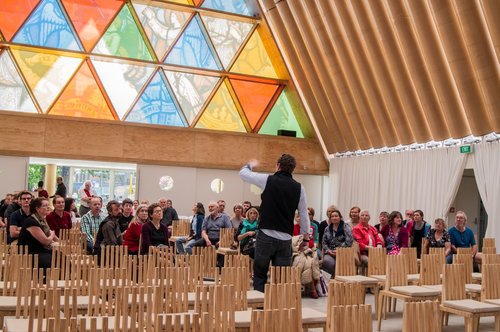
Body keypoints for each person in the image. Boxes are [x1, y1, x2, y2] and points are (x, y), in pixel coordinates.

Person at [239, 154, 309, 292]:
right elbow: (303, 214)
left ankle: (259, 308)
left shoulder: (268, 180)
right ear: (292, 169)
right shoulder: (299, 188)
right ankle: (277, 309)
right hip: (285, 239)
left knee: (260, 274)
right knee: (281, 278)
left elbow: (243, 174)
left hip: (266, 235)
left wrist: (250, 164)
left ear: (278, 165)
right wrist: (305, 238)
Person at [18, 197, 59, 269]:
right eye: (45, 205)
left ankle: (58, 279)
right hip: (29, 252)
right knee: (51, 262)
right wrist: (52, 235)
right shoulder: (31, 221)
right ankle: (44, 279)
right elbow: (45, 241)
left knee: (62, 258)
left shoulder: (42, 220)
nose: (48, 207)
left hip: (40, 249)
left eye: (48, 205)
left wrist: (60, 241)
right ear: (37, 208)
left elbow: (49, 233)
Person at [321, 209, 353, 276]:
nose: (334, 218)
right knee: (327, 262)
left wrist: (338, 250)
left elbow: (349, 241)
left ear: (340, 217)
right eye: (332, 216)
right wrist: (328, 250)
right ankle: (328, 282)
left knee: (341, 265)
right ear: (330, 218)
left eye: (336, 216)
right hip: (330, 252)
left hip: (343, 252)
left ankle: (340, 282)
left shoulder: (346, 226)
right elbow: (324, 243)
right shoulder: (327, 228)